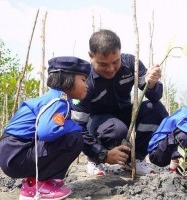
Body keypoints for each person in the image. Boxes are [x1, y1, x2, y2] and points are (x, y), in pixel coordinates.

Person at [71, 29, 168, 176]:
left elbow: (154, 96)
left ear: (120, 52)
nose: (111, 69)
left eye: (115, 62)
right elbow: (77, 126)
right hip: (98, 123)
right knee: (116, 129)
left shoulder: (131, 64)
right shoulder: (85, 81)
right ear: (91, 56)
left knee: (155, 109)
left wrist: (153, 84)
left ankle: (135, 160)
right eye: (103, 64)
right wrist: (101, 154)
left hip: (125, 115)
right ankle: (94, 160)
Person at [0, 56, 90, 200]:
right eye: (84, 80)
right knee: (74, 138)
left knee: (70, 135)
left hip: (11, 151)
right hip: (16, 153)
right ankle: (37, 186)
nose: (87, 85)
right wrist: (75, 126)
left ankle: (45, 181)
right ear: (68, 79)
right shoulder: (59, 100)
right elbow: (47, 132)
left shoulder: (54, 98)